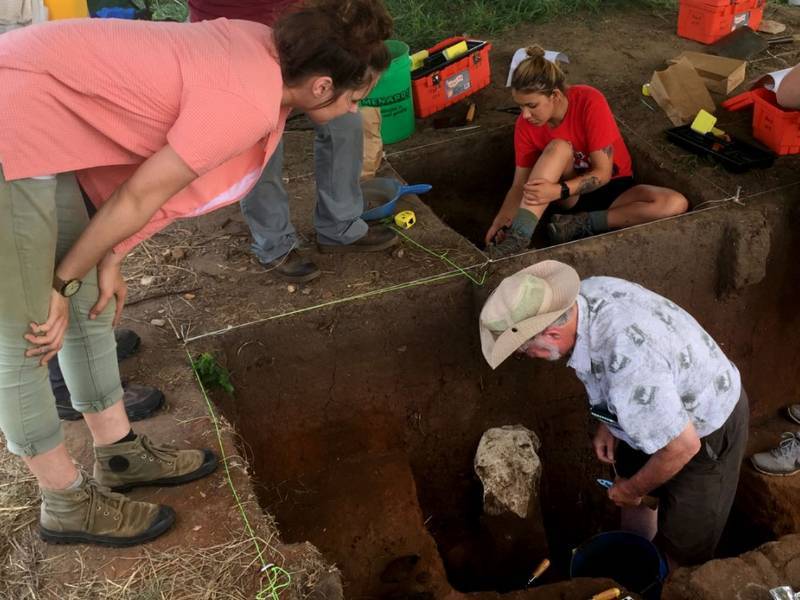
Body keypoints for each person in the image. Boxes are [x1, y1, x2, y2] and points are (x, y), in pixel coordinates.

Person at [0, 0, 392, 546]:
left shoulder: (263, 49)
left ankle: (118, 454)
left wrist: (103, 261)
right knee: (27, 332)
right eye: (354, 97)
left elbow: (156, 181)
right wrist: (58, 283)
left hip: (42, 106)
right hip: (11, 112)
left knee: (86, 293)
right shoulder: (246, 101)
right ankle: (64, 504)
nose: (353, 109)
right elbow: (140, 193)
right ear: (322, 87)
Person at [479, 260, 748, 567]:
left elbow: (683, 446)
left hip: (709, 423)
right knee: (631, 488)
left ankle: (666, 576)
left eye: (525, 351)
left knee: (683, 548)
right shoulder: (586, 297)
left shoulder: (631, 365)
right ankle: (634, 556)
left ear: (553, 333)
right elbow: (608, 370)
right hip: (654, 401)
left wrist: (633, 490)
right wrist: (608, 422)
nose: (527, 357)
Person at [189, 0, 397, 284]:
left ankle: (341, 225)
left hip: (307, 29)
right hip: (232, 40)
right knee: (260, 148)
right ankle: (275, 244)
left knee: (345, 119)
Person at [486, 46, 688, 258]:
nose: (525, 115)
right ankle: (519, 237)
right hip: (570, 196)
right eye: (520, 107)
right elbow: (520, 185)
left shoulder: (588, 101)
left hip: (614, 189)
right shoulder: (525, 125)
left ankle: (578, 225)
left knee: (675, 203)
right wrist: (503, 221)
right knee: (559, 147)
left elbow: (603, 173)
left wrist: (558, 191)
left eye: (532, 105)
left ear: (554, 95)